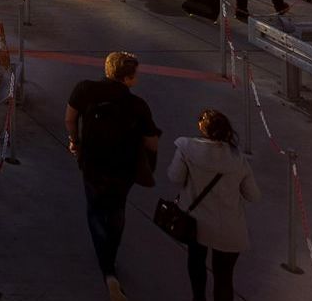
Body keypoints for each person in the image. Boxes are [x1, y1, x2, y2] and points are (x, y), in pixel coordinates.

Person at [67, 51, 160, 300]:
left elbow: (70, 118)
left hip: (93, 163)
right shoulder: (138, 105)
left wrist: (75, 141)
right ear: (128, 79)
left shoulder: (85, 89)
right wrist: (148, 164)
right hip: (124, 169)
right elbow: (152, 141)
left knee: (95, 211)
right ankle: (111, 260)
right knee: (117, 210)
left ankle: (107, 269)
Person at [167, 109, 258, 301]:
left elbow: (174, 177)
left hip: (196, 224)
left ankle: (198, 298)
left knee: (196, 263)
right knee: (224, 278)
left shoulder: (186, 147)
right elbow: (253, 195)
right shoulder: (237, 159)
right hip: (230, 228)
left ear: (202, 128)